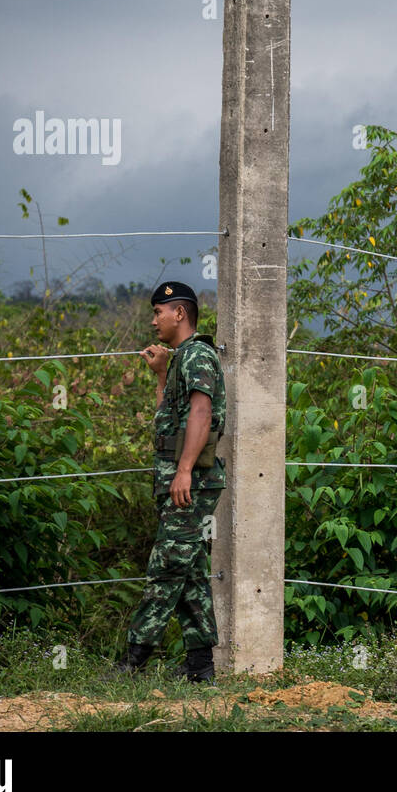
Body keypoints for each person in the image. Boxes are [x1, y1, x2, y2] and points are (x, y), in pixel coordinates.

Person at [113, 281, 227, 682]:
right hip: (178, 480)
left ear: (179, 313)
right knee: (190, 571)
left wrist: (183, 471)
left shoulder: (198, 355)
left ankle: (132, 663)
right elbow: (169, 418)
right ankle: (200, 668)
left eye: (159, 311)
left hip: (190, 481)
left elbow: (200, 412)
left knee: (165, 568)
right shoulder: (180, 360)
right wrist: (161, 376)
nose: (153, 320)